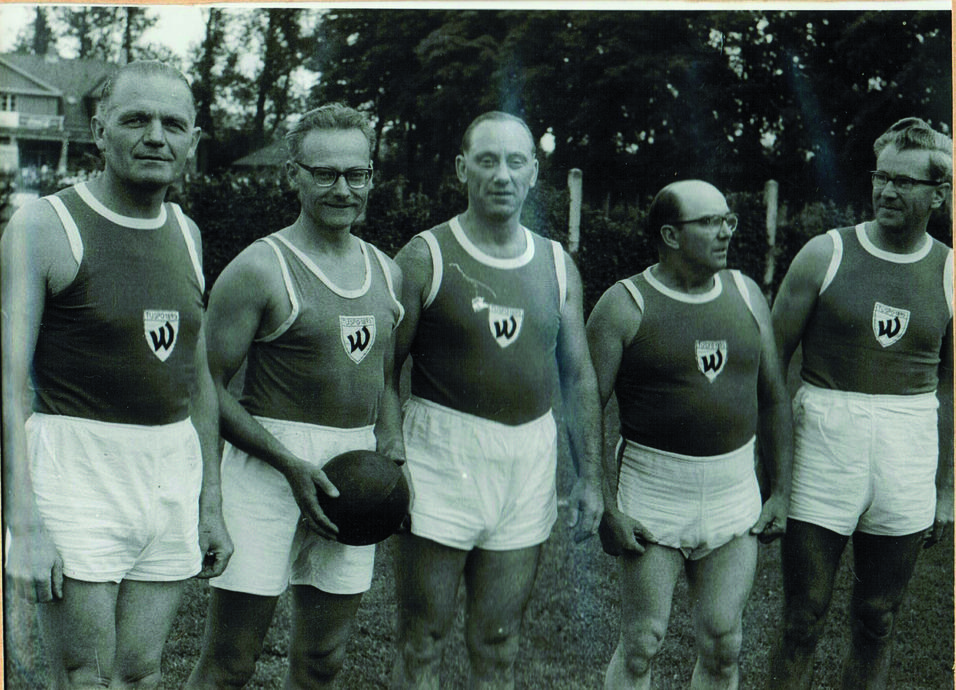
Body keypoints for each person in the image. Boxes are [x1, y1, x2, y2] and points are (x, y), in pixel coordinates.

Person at [1, 60, 232, 688]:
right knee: (85, 676)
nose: (156, 135)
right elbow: (6, 384)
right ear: (99, 131)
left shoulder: (187, 232)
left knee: (139, 673)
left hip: (166, 474)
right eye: (136, 119)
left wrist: (210, 501)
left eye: (173, 124)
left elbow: (200, 377)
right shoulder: (46, 226)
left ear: (192, 139)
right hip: (75, 471)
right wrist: (23, 525)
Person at [184, 103, 404, 689]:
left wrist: (392, 449)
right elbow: (201, 383)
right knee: (231, 663)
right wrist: (286, 462)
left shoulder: (387, 270)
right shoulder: (261, 266)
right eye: (324, 172)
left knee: (323, 661)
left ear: (371, 177)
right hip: (267, 469)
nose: (341, 188)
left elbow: (383, 375)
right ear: (292, 176)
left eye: (356, 174)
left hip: (354, 478)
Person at [383, 111, 604, 689]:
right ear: (462, 169)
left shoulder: (557, 264)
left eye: (515, 161)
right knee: (422, 641)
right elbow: (384, 371)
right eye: (487, 160)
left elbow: (578, 376)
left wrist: (590, 479)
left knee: (498, 645)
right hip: (440, 456)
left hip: (527, 459)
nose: (501, 174)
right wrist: (394, 455)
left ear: (534, 172)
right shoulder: (425, 255)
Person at [768, 118, 954, 689]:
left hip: (908, 442)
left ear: (939, 194)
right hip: (827, 434)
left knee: (879, 616)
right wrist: (773, 475)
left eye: (905, 182)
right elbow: (770, 366)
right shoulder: (825, 253)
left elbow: (951, 389)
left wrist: (947, 489)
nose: (887, 191)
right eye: (881, 177)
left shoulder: (949, 269)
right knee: (804, 616)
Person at [587, 180, 793, 690]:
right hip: (653, 489)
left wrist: (782, 491)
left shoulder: (748, 294)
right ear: (670, 235)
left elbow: (773, 397)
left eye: (728, 220)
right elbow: (585, 407)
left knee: (724, 642)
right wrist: (606, 506)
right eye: (709, 222)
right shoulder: (624, 304)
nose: (725, 231)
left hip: (731, 489)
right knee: (642, 642)